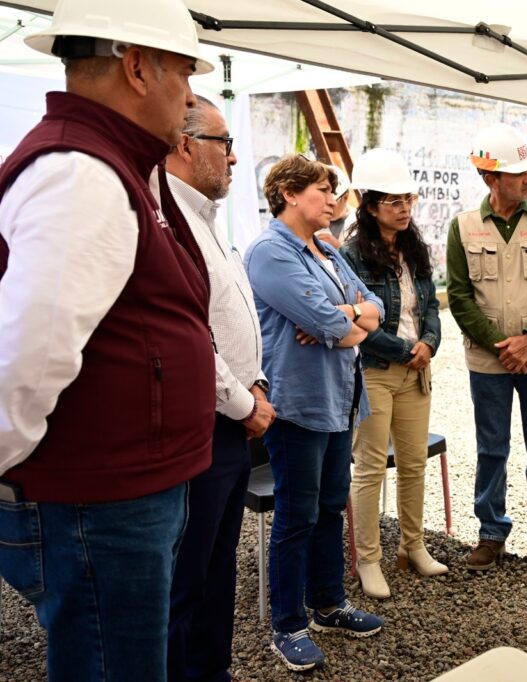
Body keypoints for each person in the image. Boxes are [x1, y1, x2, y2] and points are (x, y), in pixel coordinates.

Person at [0, 1, 216, 679]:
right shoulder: (82, 173)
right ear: (138, 68)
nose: (187, 97)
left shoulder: (115, 162)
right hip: (95, 504)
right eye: (184, 73)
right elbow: (22, 361)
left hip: (114, 497)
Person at [245, 154, 385, 672]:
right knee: (297, 516)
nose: (333, 200)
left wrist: (349, 315)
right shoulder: (268, 253)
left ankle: (328, 604)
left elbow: (373, 307)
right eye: (323, 190)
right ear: (288, 193)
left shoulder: (324, 248)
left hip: (339, 399)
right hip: (298, 406)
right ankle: (288, 625)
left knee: (330, 507)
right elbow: (328, 324)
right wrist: (344, 320)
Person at [165, 95, 276, 682]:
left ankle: (213, 672)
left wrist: (253, 383)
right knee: (187, 579)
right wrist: (245, 402)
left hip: (233, 421)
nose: (234, 159)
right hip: (205, 427)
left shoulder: (204, 218)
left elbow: (230, 324)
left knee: (217, 571)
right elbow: (188, 339)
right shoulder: (168, 220)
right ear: (185, 145)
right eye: (223, 144)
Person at [446, 122, 527, 577]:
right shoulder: (462, 228)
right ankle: (491, 535)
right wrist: (499, 347)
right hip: (488, 361)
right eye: (516, 172)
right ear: (490, 178)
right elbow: (459, 297)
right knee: (491, 448)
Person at [341, 149, 445, 599]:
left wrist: (430, 344)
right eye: (393, 202)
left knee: (414, 463)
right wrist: (408, 348)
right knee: (369, 470)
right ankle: (368, 560)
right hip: (377, 372)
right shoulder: (351, 254)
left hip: (415, 371)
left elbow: (432, 306)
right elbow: (357, 325)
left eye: (408, 200)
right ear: (368, 205)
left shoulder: (414, 249)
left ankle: (412, 547)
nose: (404, 209)